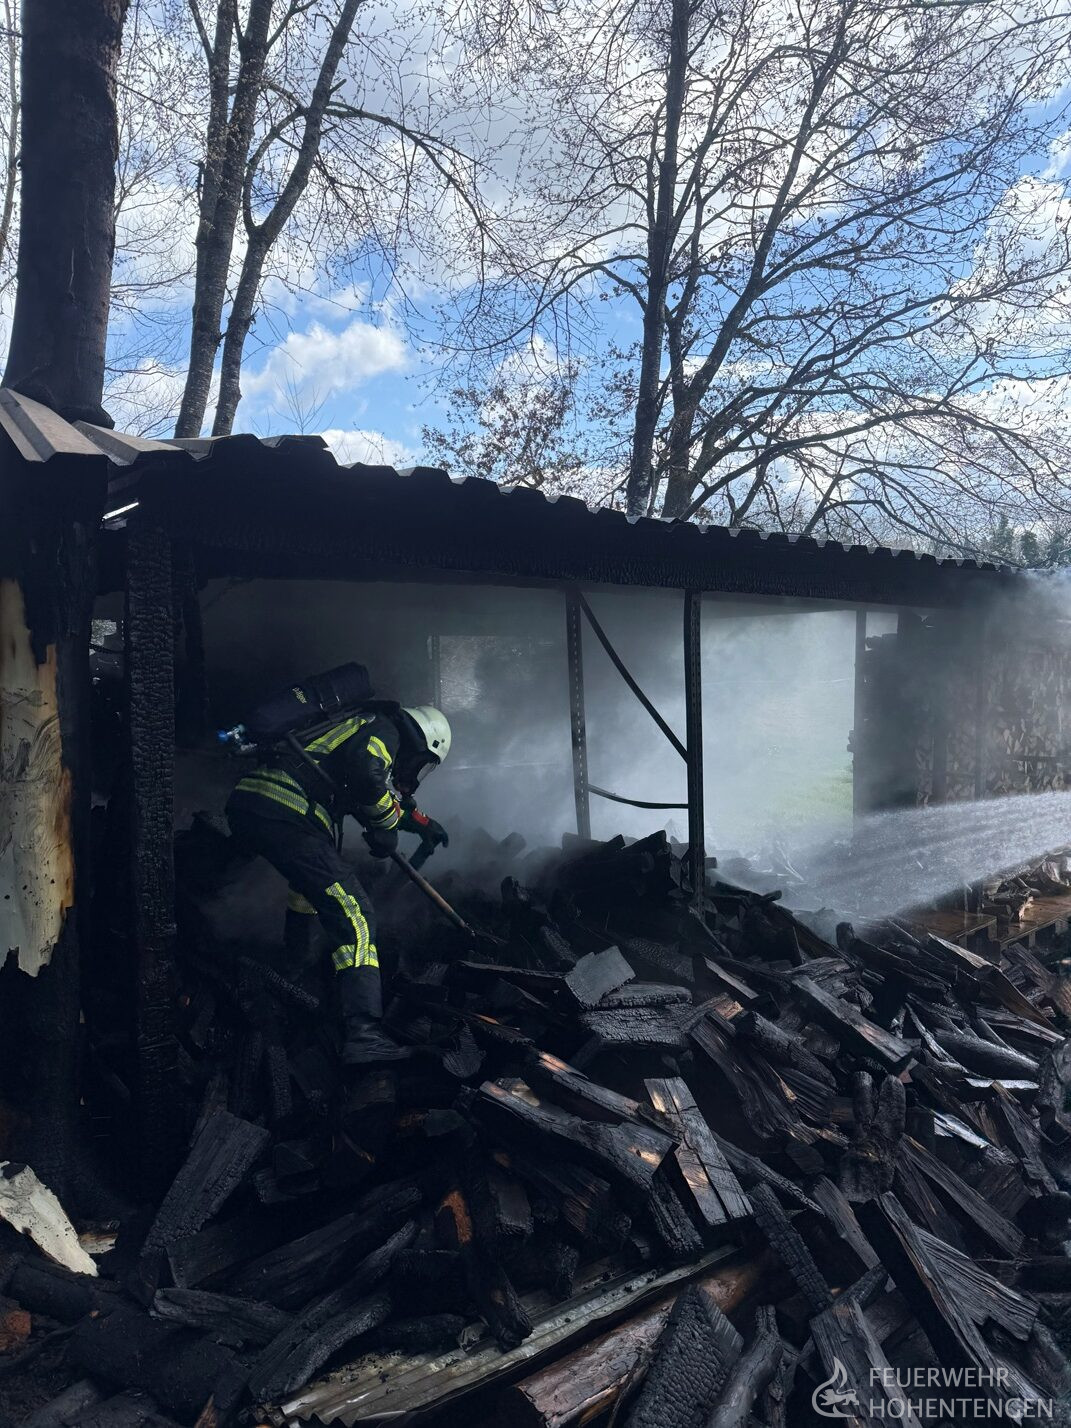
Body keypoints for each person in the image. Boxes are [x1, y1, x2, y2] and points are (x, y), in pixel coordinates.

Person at [225, 701, 451, 1064]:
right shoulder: (386, 730)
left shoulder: (358, 726)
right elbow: (367, 777)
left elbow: (375, 795)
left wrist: (422, 825)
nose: (415, 771)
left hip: (254, 804)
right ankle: (364, 1034)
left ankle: (294, 972)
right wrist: (385, 827)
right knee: (357, 916)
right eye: (423, 763)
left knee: (307, 894)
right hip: (288, 812)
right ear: (422, 742)